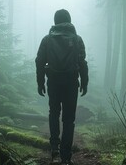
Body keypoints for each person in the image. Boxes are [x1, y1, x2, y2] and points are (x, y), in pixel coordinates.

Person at [36, 9, 89, 164]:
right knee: (68, 119)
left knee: (54, 113)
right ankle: (66, 157)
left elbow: (39, 61)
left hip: (53, 81)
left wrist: (40, 82)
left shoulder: (47, 39)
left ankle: (54, 149)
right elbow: (82, 62)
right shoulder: (77, 39)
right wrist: (84, 82)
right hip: (71, 83)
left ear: (55, 21)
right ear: (69, 20)